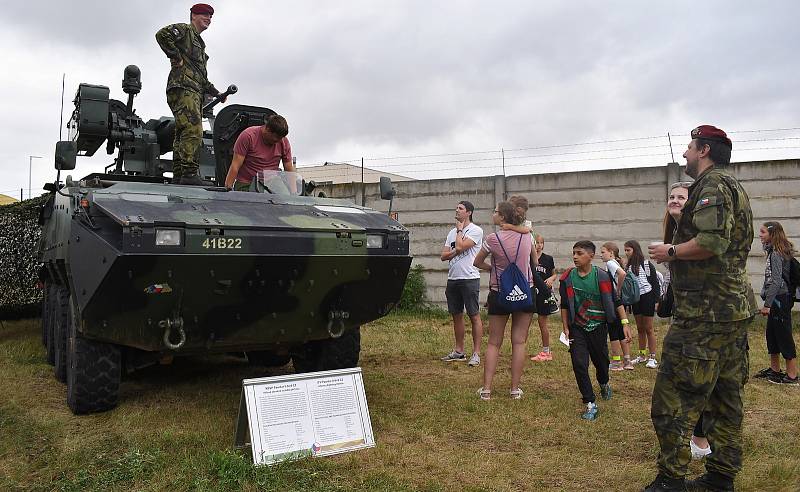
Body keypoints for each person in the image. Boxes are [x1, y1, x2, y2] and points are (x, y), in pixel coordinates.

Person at [647, 125, 757, 492]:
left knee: (674, 396)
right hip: (731, 311)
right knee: (726, 397)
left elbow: (711, 242)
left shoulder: (712, 187)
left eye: (689, 148)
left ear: (704, 150)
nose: (684, 154)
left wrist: (671, 251)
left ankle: (671, 480)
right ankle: (721, 476)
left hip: (705, 313)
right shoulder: (734, 186)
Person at [662, 182, 713, 460]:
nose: (675, 200)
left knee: (700, 379)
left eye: (681, 197)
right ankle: (692, 434)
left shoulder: (697, 234)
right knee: (683, 379)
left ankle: (701, 438)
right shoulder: (675, 233)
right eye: (671, 196)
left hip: (702, 317)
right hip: (682, 316)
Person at [473, 201, 537, 400]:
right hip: (525, 292)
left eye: (495, 212)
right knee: (519, 342)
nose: (493, 214)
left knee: (494, 342)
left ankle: (486, 390)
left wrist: (493, 269)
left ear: (502, 217)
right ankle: (515, 389)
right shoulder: (528, 237)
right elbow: (534, 262)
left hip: (499, 292)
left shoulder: (493, 239)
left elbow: (477, 261)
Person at [559, 240, 629, 420]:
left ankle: (604, 383)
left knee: (602, 363)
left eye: (579, 253)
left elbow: (616, 300)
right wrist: (566, 327)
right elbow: (565, 305)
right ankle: (590, 402)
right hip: (578, 328)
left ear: (591, 256)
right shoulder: (567, 278)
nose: (575, 256)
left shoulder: (602, 276)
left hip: (598, 327)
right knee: (579, 364)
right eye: (573, 253)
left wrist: (625, 322)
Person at [156, 3, 224, 185]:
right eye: (204, 15)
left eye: (210, 16)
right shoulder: (185, 31)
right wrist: (175, 56)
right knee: (194, 130)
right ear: (193, 15)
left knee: (182, 134)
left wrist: (217, 93)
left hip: (192, 88)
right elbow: (161, 35)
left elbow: (201, 77)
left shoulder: (199, 44)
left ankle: (180, 175)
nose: (208, 19)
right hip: (183, 87)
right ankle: (189, 174)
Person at [439, 201, 484, 367]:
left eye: (460, 208)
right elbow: (443, 255)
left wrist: (459, 231)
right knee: (456, 314)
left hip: (469, 278)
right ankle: (459, 351)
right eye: (456, 207)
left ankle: (476, 353)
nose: (456, 210)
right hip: (453, 278)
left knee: (474, 315)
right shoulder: (451, 232)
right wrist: (455, 250)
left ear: (469, 212)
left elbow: (460, 246)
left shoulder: (476, 230)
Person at [754, 221, 798, 385]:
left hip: (780, 300)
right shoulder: (772, 251)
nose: (760, 234)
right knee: (772, 335)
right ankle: (775, 370)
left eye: (763, 232)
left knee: (783, 335)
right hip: (775, 300)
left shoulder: (777, 254)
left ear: (772, 235)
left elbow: (777, 281)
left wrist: (768, 304)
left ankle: (792, 376)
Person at [224, 115, 294, 191]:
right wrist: (227, 190)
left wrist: (294, 194)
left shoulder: (283, 141)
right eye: (276, 138)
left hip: (272, 181)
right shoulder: (248, 136)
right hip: (247, 182)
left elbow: (289, 168)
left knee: (284, 199)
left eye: (281, 138)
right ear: (267, 129)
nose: (279, 141)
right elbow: (235, 165)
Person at [624, 240, 660, 369]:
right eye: (625, 250)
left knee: (649, 328)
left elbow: (655, 283)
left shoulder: (646, 264)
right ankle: (642, 355)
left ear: (635, 250)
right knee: (639, 328)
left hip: (648, 296)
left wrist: (656, 301)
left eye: (628, 250)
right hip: (636, 299)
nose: (626, 253)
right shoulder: (627, 267)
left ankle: (652, 357)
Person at [600, 242, 633, 371]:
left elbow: (622, 274)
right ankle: (627, 360)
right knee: (621, 330)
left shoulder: (610, 263)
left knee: (613, 330)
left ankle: (616, 362)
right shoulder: (616, 263)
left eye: (603, 252)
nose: (601, 255)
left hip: (613, 302)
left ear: (611, 253)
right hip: (619, 303)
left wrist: (617, 290)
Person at [531, 234, 559, 362]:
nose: (538, 245)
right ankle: (519, 348)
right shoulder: (528, 258)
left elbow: (554, 274)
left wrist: (551, 279)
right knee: (524, 322)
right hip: (531, 292)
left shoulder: (548, 259)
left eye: (540, 243)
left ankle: (546, 351)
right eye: (536, 242)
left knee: (542, 323)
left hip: (543, 293)